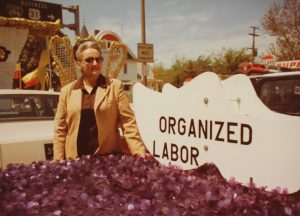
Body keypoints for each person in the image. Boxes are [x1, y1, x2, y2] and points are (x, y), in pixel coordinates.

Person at [53, 39, 147, 160]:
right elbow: (60, 130)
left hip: (108, 160)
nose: (95, 63)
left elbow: (128, 122)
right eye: (89, 60)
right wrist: (58, 161)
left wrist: (139, 152)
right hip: (75, 162)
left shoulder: (114, 87)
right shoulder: (67, 91)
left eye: (98, 59)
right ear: (78, 63)